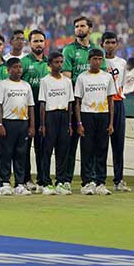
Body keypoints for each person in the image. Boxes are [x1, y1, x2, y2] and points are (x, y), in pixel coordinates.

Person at [62, 16, 104, 191]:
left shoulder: (97, 50)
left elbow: (102, 77)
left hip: (93, 106)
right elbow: (66, 77)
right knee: (70, 144)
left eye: (82, 26)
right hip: (74, 103)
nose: (79, 29)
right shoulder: (69, 50)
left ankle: (91, 180)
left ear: (90, 29)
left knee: (91, 145)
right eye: (76, 26)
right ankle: (66, 179)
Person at [74, 48, 116, 196]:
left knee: (102, 149)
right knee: (87, 150)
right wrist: (79, 123)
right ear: (89, 60)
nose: (97, 62)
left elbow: (111, 101)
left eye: (100, 59)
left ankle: (101, 183)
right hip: (87, 115)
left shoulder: (107, 77)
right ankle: (87, 183)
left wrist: (111, 123)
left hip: (103, 115)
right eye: (94, 59)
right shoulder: (82, 77)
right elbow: (77, 102)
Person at [0, 58, 35, 196]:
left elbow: (30, 106)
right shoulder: (3, 85)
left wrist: (31, 126)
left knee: (21, 154)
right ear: (8, 70)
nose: (18, 70)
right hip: (7, 122)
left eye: (20, 67)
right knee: (6, 153)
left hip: (22, 123)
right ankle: (4, 182)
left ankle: (19, 183)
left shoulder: (26, 86)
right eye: (15, 67)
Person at [38, 52, 74, 196]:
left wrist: (70, 124)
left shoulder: (67, 81)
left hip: (64, 116)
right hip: (50, 115)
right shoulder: (45, 81)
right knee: (47, 151)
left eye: (61, 62)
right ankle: (46, 183)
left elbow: (70, 102)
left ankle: (60, 181)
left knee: (62, 151)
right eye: (56, 62)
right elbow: (42, 103)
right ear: (49, 64)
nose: (59, 65)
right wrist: (43, 124)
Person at [20, 30, 50, 192]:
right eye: (35, 41)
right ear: (30, 44)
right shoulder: (24, 62)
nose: (38, 44)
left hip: (45, 111)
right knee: (25, 147)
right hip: (28, 111)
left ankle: (42, 178)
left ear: (45, 43)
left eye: (41, 41)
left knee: (43, 146)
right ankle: (26, 179)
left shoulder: (49, 63)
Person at [101, 32, 130, 192]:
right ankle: (100, 180)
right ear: (102, 44)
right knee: (102, 145)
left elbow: (123, 83)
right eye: (107, 42)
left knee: (118, 145)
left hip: (118, 104)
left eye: (113, 42)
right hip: (102, 106)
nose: (110, 45)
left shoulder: (122, 63)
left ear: (117, 44)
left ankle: (118, 180)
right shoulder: (99, 61)